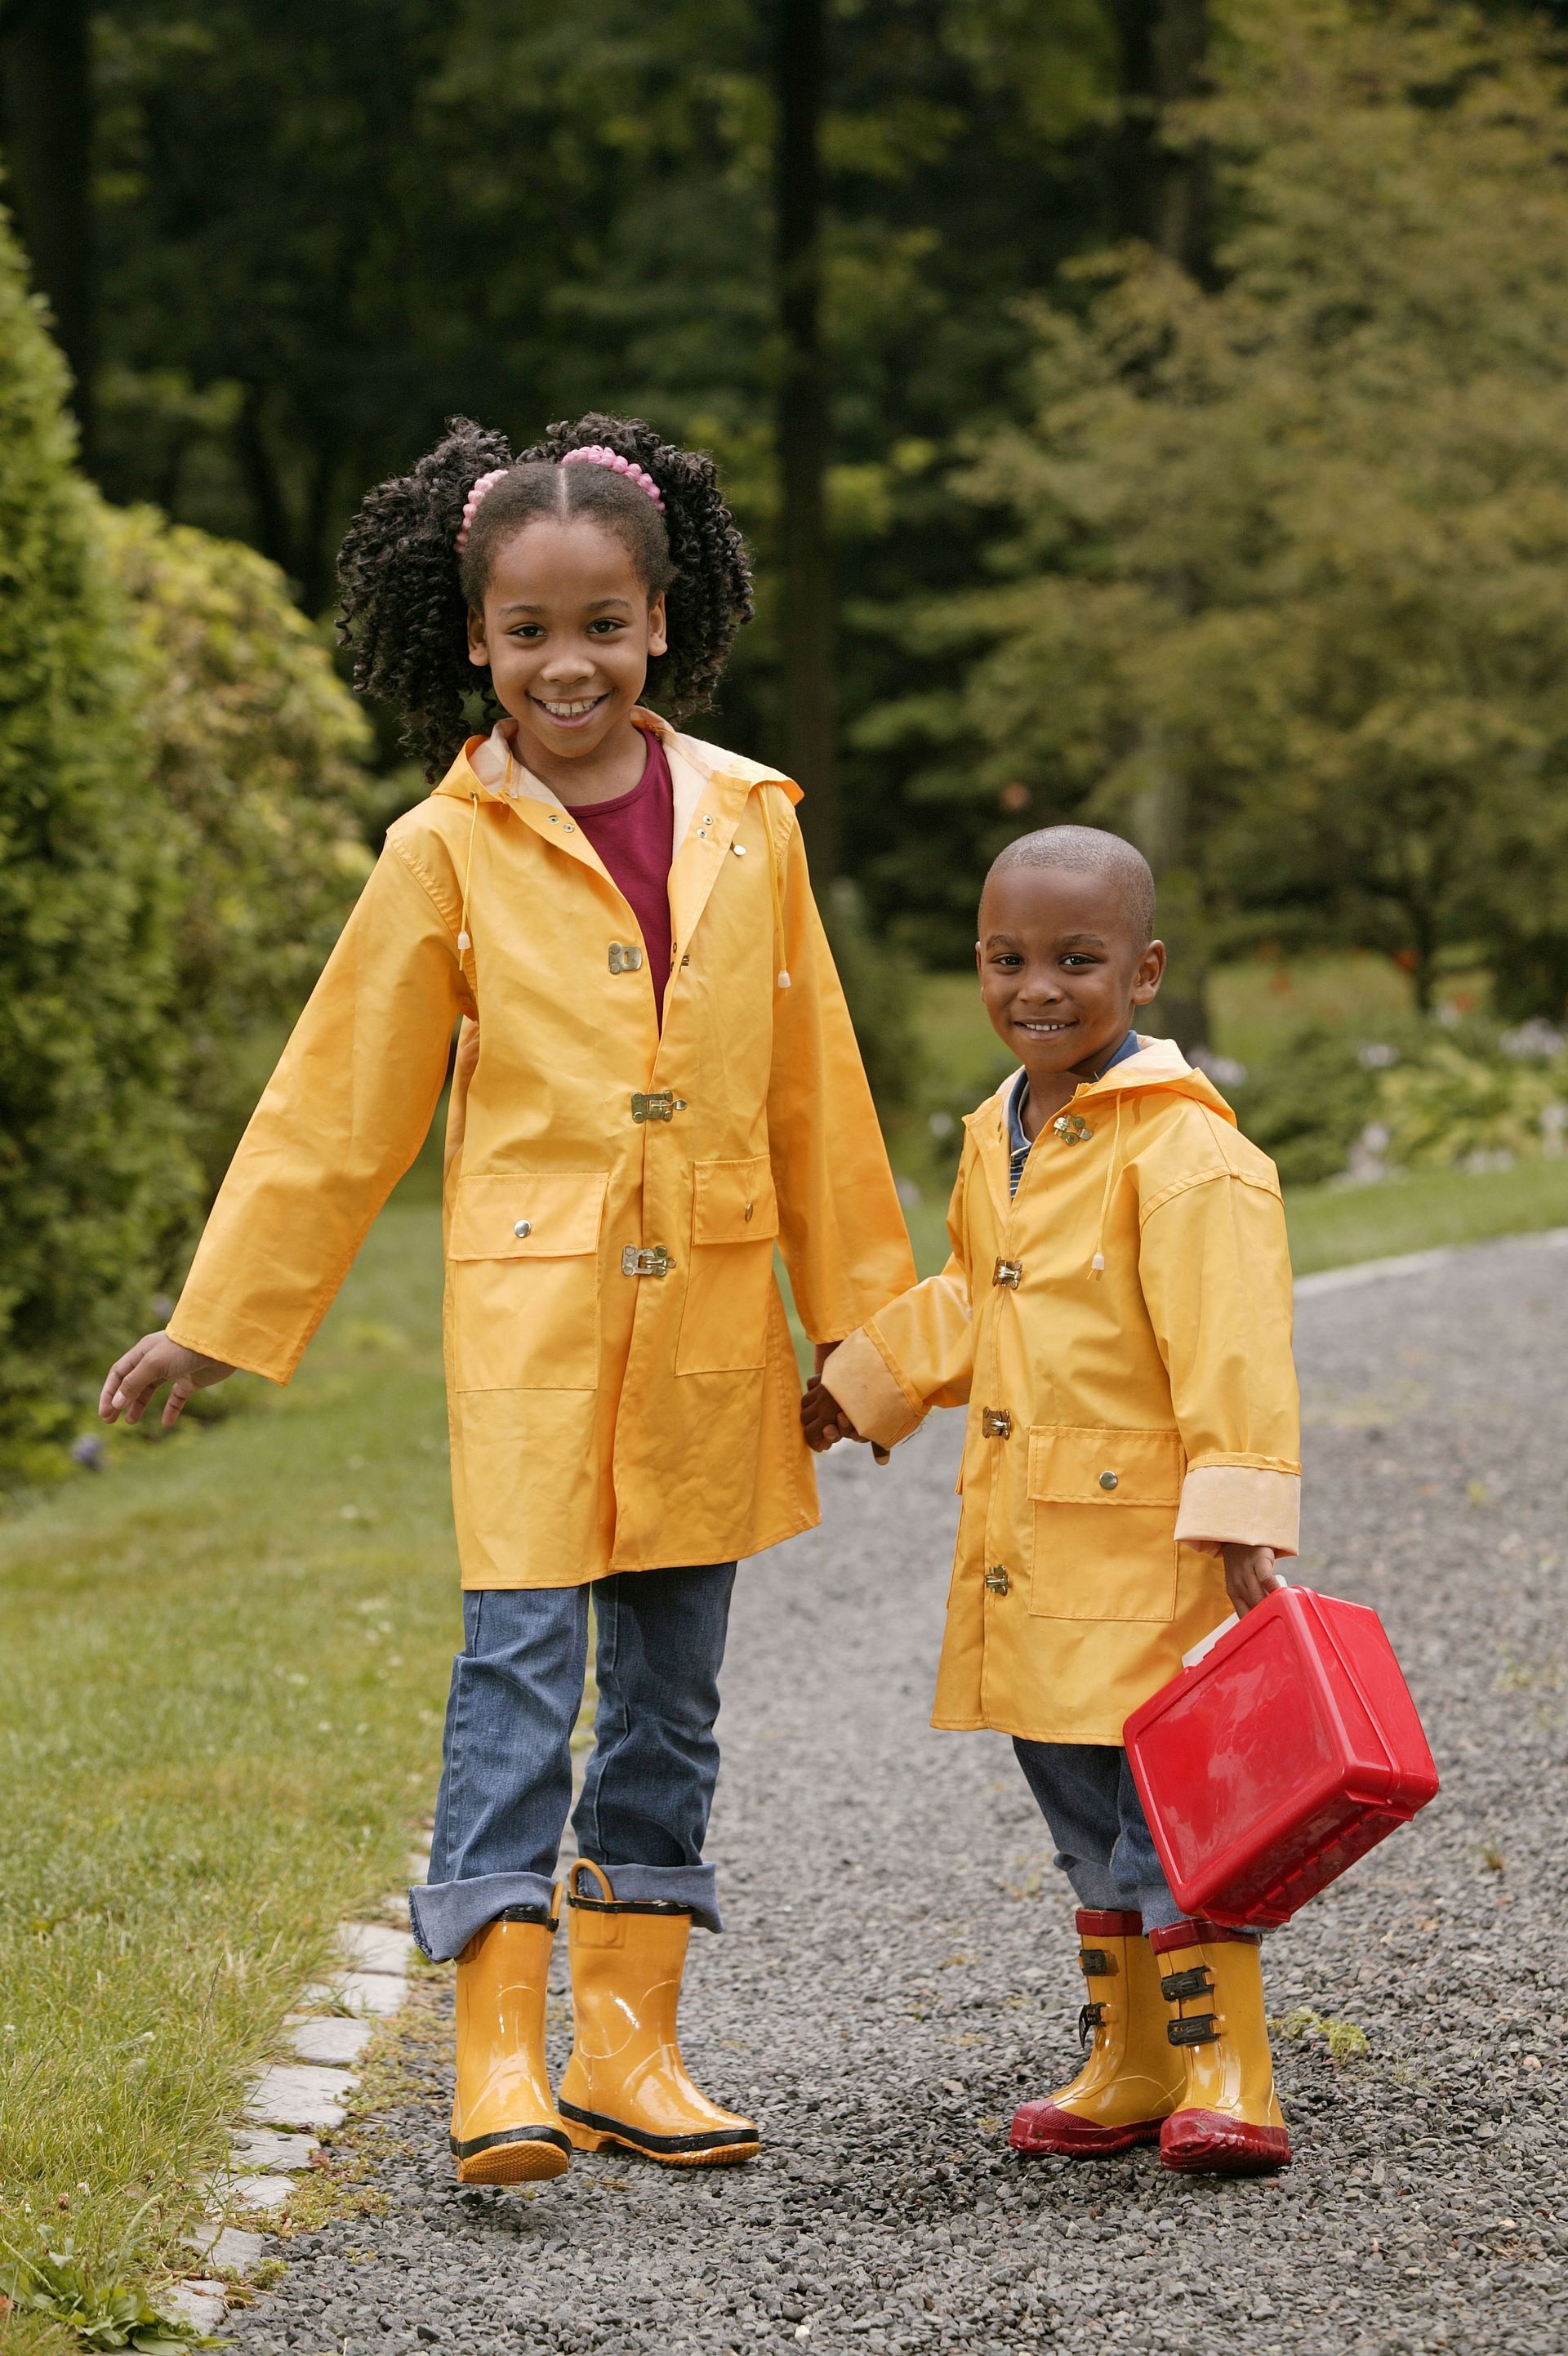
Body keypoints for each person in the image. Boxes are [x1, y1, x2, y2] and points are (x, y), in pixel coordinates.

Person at [100, 413, 913, 2186]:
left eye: (604, 624)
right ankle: (493, 2053)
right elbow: (341, 1098)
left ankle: (630, 2044)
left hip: (704, 1339)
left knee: (673, 1697)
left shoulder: (748, 825)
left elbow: (815, 1093)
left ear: (661, 620)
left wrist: (867, 1343)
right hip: (535, 1336)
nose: (570, 663)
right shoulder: (444, 850)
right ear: (475, 636)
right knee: (520, 1675)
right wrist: (221, 1316)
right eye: (531, 630)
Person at [800, 826, 1301, 2175]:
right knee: (1080, 1800)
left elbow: (1231, 1338)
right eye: (1009, 958)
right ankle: (1132, 2055)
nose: (1038, 987)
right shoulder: (1000, 1131)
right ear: (977, 963)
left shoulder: (1184, 1155)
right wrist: (864, 1381)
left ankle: (1227, 2063)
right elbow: (979, 1297)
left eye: (1076, 961)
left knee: (1178, 1809)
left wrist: (1243, 1508)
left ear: (1141, 976)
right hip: (1036, 1548)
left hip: (1153, 1548)